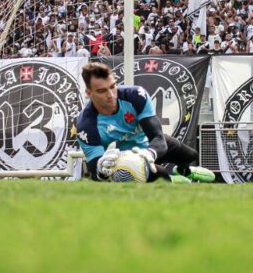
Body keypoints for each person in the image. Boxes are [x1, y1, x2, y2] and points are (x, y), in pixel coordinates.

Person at [75, 62, 214, 183]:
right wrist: (101, 168)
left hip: (149, 146)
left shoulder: (135, 96)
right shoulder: (85, 125)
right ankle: (173, 180)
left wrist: (149, 153)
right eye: (101, 91)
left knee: (191, 155)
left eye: (112, 86)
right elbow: (95, 169)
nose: (111, 95)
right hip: (127, 159)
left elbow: (158, 137)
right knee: (163, 177)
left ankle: (185, 171)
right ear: (88, 93)